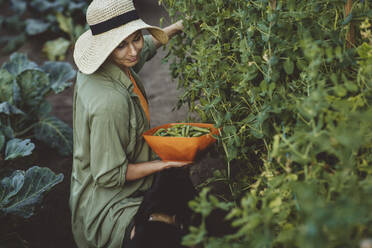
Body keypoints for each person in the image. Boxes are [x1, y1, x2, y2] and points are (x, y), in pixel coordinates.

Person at [69, 0, 188, 247]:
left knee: (179, 187)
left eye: (136, 38)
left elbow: (141, 53)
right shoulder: (110, 102)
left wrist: (177, 27)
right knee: (159, 236)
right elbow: (110, 176)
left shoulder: (113, 64)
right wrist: (165, 164)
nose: (133, 51)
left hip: (101, 184)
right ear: (106, 48)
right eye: (121, 44)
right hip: (107, 204)